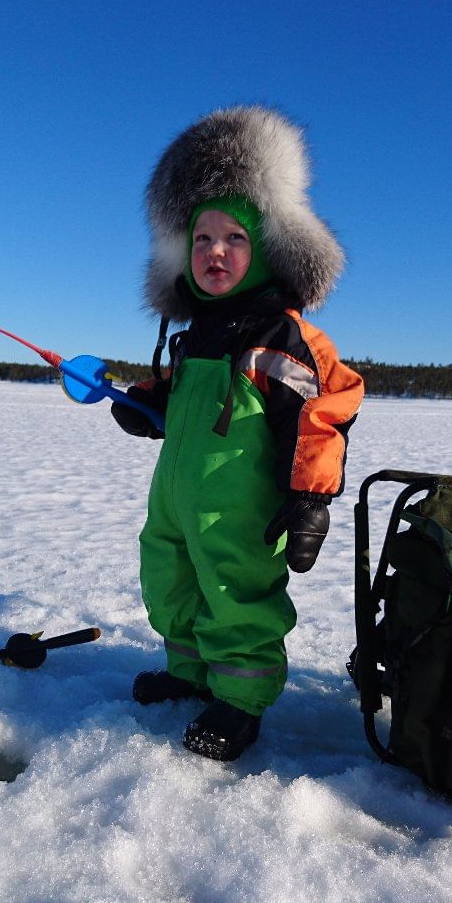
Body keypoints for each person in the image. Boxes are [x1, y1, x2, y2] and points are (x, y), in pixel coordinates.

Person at [112, 105, 364, 761]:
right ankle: (189, 671)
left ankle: (240, 700)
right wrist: (144, 405)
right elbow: (179, 400)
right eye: (200, 239)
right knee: (168, 576)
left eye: (234, 239)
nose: (214, 251)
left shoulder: (280, 334)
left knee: (235, 593)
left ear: (266, 249)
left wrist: (309, 497)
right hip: (175, 499)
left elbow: (322, 411)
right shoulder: (194, 334)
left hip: (239, 507)